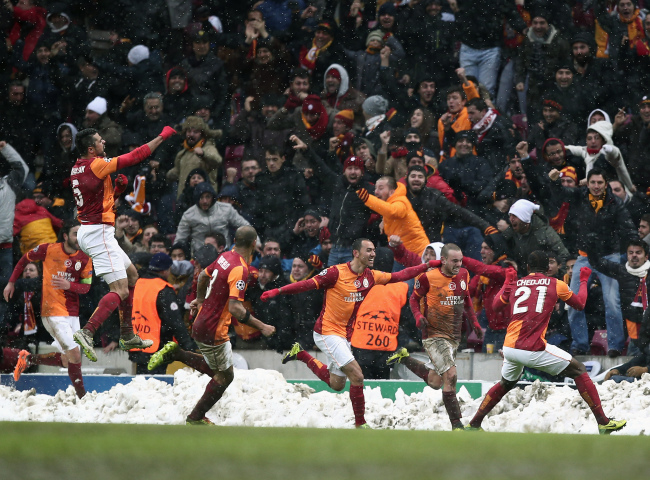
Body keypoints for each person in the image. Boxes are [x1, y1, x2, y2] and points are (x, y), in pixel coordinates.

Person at [261, 238, 440, 429]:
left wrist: (427, 265)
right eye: (368, 250)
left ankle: (301, 355)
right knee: (357, 376)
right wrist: (277, 291)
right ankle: (360, 424)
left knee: (337, 384)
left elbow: (401, 275)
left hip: (344, 336)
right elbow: (306, 285)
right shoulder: (335, 273)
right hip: (327, 332)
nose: (373, 254)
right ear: (356, 253)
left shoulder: (371, 276)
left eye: (374, 251)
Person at [464, 251, 627, 435]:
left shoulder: (517, 284)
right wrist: (583, 280)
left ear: (527, 268)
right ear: (548, 268)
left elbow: (495, 306)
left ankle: (474, 423)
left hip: (509, 347)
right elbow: (580, 304)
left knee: (505, 383)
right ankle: (603, 422)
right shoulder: (555, 284)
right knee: (579, 370)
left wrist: (508, 284)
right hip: (532, 347)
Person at [70, 125, 177, 362]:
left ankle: (128, 334)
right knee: (119, 290)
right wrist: (162, 136)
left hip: (93, 230)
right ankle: (88, 331)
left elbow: (97, 202)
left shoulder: (77, 168)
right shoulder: (96, 164)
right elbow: (136, 156)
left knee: (132, 277)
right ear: (91, 148)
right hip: (99, 234)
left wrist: (116, 192)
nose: (104, 143)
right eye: (99, 141)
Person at [183, 226, 275, 425]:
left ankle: (176, 354)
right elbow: (236, 308)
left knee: (219, 371)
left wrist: (200, 300)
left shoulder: (225, 256)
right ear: (253, 244)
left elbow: (202, 276)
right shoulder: (240, 269)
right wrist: (262, 326)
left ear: (234, 240)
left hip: (202, 322)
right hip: (213, 328)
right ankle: (195, 417)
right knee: (225, 376)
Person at [3, 220, 92, 398]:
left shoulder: (85, 258)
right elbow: (24, 259)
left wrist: (69, 285)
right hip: (52, 311)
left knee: (69, 361)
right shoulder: (48, 249)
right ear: (66, 235)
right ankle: (84, 397)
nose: (79, 237)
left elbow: (86, 288)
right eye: (76, 233)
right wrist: (11, 281)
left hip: (73, 314)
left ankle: (27, 359)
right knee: (75, 355)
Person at [408, 243, 482, 430]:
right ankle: (457, 425)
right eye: (454, 261)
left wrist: (475, 323)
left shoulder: (464, 274)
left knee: (436, 381)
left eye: (460, 260)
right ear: (443, 260)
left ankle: (404, 359)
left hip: (454, 335)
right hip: (433, 335)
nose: (458, 264)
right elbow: (413, 299)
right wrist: (418, 316)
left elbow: (466, 300)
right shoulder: (428, 277)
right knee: (451, 375)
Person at [128, 253, 197, 374]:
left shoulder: (138, 284)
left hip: (137, 343)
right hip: (156, 347)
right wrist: (189, 348)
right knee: (155, 383)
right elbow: (175, 322)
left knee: (140, 382)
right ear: (166, 270)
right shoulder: (163, 289)